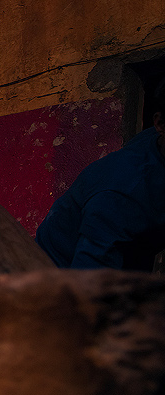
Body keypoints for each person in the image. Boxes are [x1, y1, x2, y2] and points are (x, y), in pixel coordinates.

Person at [35, 99, 165, 270]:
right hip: (61, 277)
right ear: (160, 123)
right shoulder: (121, 194)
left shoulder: (155, 142)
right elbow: (87, 284)